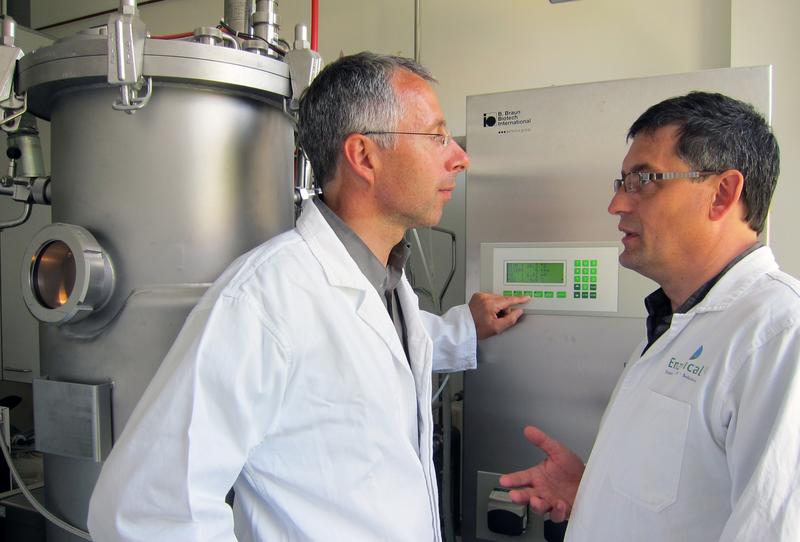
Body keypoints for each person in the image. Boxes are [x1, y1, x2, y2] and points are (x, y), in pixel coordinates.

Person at [87, 52, 528, 541]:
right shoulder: (263, 300)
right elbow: (147, 508)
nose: (459, 157)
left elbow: (367, 351)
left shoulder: (385, 282)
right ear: (363, 156)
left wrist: (463, 328)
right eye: (436, 137)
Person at [499, 91, 800, 541]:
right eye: (620, 183)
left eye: (643, 181)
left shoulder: (779, 335)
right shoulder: (672, 324)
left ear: (723, 193)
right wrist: (594, 492)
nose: (617, 205)